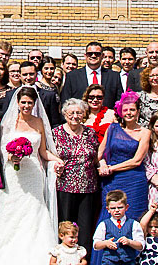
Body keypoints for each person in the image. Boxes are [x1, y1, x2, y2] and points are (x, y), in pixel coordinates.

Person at [0, 87, 62, 265]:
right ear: (17, 103)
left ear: (35, 103)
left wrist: (58, 160)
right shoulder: (7, 123)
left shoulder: (39, 123)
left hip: (34, 174)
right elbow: (0, 150)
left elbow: (43, 152)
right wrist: (12, 157)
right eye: (23, 102)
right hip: (13, 174)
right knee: (11, 211)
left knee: (35, 211)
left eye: (30, 102)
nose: (26, 105)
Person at [94, 92, 149, 250]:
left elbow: (136, 160)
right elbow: (100, 153)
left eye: (132, 110)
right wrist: (103, 164)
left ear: (138, 111)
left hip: (134, 181)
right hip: (111, 182)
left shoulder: (145, 132)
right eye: (125, 110)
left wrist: (111, 168)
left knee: (133, 220)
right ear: (120, 112)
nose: (129, 113)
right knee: (108, 219)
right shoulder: (112, 128)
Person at [52, 98, 101, 255]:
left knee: (85, 227)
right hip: (65, 185)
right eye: (71, 112)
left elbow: (96, 156)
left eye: (79, 112)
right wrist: (56, 163)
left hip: (88, 186)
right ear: (65, 114)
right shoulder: (56, 133)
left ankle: (83, 258)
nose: (75, 116)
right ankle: (65, 258)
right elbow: (49, 154)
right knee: (66, 226)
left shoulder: (90, 133)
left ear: (84, 114)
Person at [62, 42, 124, 108]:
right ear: (85, 56)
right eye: (90, 53)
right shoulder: (72, 76)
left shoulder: (114, 76)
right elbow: (65, 102)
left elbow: (120, 101)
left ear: (102, 56)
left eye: (97, 54)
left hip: (106, 116)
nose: (93, 56)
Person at [92, 190, 144, 265]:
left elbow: (141, 245)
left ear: (126, 207)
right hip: (109, 262)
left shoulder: (134, 224)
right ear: (108, 209)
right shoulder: (103, 224)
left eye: (120, 207)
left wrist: (129, 242)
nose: (117, 211)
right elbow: (96, 245)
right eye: (113, 208)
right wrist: (106, 243)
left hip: (128, 262)